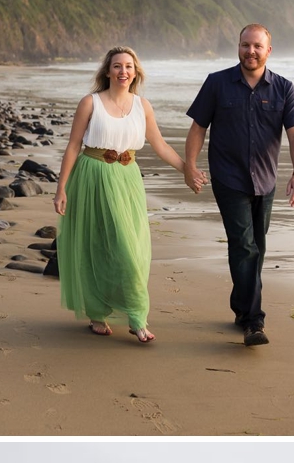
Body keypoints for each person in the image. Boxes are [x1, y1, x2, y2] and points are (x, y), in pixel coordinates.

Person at [52, 47, 194, 344]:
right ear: (107, 71)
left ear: (136, 72)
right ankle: (98, 312)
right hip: (92, 175)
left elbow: (159, 144)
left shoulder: (143, 105)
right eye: (117, 66)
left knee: (133, 251)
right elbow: (73, 146)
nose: (123, 71)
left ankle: (136, 316)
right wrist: (61, 188)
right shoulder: (90, 103)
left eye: (129, 66)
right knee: (97, 245)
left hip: (128, 180)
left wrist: (185, 169)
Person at [183, 24, 294, 348]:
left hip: (265, 181)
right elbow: (198, 127)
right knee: (245, 245)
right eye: (245, 45)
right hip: (229, 178)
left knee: (255, 247)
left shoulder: (283, 88)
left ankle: (241, 307)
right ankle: (254, 322)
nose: (250, 51)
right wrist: (190, 166)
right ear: (238, 47)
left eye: (257, 46)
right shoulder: (217, 83)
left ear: (268, 50)